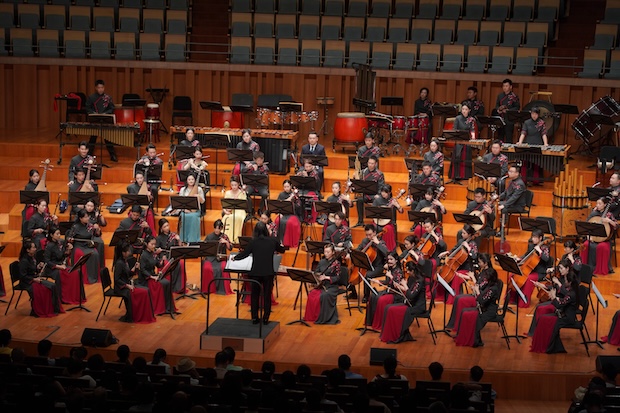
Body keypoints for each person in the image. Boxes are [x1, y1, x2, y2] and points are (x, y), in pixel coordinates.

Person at [233, 222, 286, 324]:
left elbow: (245, 254)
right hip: (268, 273)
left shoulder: (253, 242)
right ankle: (266, 318)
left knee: (255, 295)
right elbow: (282, 250)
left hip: (255, 273)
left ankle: (254, 318)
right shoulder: (272, 241)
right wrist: (281, 245)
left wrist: (235, 258)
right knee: (267, 295)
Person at [530, 259, 579, 353]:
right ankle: (538, 338)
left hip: (565, 315)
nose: (559, 270)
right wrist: (541, 285)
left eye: (561, 268)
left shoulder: (571, 291)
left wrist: (554, 297)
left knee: (543, 316)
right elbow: (556, 291)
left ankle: (546, 344)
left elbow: (561, 302)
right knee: (541, 314)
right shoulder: (566, 282)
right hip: (561, 309)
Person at [379, 260, 427, 344]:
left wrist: (404, 285)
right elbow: (408, 290)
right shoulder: (412, 278)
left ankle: (398, 335)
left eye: (408, 270)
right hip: (410, 303)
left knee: (391, 310)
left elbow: (411, 295)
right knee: (388, 307)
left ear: (413, 270)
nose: (407, 272)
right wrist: (399, 286)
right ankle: (390, 334)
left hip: (417, 307)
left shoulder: (420, 281)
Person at [454, 264, 501, 347]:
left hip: (488, 312)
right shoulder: (489, 285)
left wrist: (477, 291)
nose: (484, 279)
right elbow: (483, 295)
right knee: (464, 311)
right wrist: (475, 290)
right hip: (483, 308)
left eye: (486, 277)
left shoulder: (493, 289)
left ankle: (474, 340)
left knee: (467, 314)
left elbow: (482, 301)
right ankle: (463, 336)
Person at [447, 253, 495, 330]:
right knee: (457, 298)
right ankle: (453, 324)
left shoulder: (489, 273)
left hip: (481, 299)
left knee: (460, 300)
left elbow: (479, 286)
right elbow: (479, 284)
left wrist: (473, 278)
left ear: (485, 263)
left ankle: (458, 326)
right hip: (477, 294)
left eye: (480, 262)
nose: (478, 263)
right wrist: (472, 285)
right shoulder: (484, 271)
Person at [113, 242, 155, 324]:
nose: (129, 252)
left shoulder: (125, 261)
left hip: (127, 284)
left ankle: (142, 314)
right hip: (121, 288)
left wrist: (134, 268)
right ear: (123, 253)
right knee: (143, 292)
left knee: (146, 290)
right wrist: (127, 286)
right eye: (128, 251)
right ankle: (135, 315)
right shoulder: (119, 263)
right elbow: (117, 279)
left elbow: (127, 274)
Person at [19, 240, 63, 317]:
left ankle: (54, 308)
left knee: (52, 286)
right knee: (46, 289)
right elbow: (23, 276)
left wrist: (38, 267)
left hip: (34, 279)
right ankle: (40, 310)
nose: (35, 249)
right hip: (27, 283)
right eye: (33, 248)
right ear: (28, 250)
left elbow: (31, 270)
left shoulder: (32, 258)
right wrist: (34, 279)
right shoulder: (24, 261)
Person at [437, 224, 478, 304]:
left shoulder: (473, 244)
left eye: (464, 233)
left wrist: (468, 248)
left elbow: (474, 256)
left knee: (455, 276)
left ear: (469, 234)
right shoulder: (460, 241)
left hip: (467, 268)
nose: (462, 234)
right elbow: (454, 249)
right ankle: (443, 296)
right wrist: (447, 252)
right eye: (462, 232)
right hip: (457, 267)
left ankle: (455, 299)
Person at [511, 229, 551, 308]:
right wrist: (519, 258)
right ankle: (513, 299)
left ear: (540, 238)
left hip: (540, 272)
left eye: (535, 237)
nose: (533, 239)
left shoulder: (545, 248)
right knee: (514, 274)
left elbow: (546, 258)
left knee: (529, 278)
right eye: (532, 237)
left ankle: (524, 302)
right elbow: (526, 255)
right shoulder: (531, 246)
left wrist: (539, 251)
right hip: (530, 269)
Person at [366, 252, 406, 331]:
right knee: (373, 296)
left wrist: (390, 276)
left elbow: (396, 285)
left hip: (396, 294)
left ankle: (381, 324)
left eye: (391, 259)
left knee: (381, 300)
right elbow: (388, 282)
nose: (389, 261)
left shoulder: (398, 271)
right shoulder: (390, 269)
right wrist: (378, 281)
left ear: (396, 260)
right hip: (389, 291)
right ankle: (371, 322)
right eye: (388, 259)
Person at [305, 243, 343, 324]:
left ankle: (323, 318)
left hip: (332, 286)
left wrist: (327, 277)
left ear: (333, 252)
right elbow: (316, 272)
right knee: (311, 294)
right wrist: (318, 276)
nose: (326, 254)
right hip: (322, 285)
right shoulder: (322, 262)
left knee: (324, 296)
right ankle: (313, 316)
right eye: (325, 252)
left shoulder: (336, 263)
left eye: (328, 252)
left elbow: (338, 277)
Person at [351, 224, 389, 302]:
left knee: (367, 274)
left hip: (378, 267)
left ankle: (366, 296)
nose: (368, 237)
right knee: (350, 270)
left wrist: (377, 243)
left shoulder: (381, 242)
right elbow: (358, 250)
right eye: (367, 235)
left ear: (374, 233)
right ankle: (353, 293)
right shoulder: (365, 241)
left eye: (370, 234)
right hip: (367, 265)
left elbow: (387, 253)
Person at [580, 197, 617, 276]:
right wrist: (588, 236)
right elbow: (587, 225)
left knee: (602, 247)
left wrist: (609, 221)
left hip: (604, 240)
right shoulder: (593, 213)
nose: (597, 205)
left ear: (605, 205)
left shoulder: (609, 215)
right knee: (586, 244)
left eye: (600, 204)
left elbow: (616, 226)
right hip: (593, 238)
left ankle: (599, 269)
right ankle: (585, 268)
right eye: (597, 203)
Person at [138, 235, 174, 316]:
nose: (154, 246)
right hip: (146, 279)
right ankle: (160, 308)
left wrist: (162, 260)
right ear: (146, 244)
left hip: (153, 275)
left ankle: (168, 307)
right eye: (152, 244)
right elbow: (142, 270)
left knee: (167, 282)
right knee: (161, 284)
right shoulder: (143, 255)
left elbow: (158, 265)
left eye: (154, 244)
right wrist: (152, 277)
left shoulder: (153, 253)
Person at [44, 226, 80, 305]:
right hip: (52, 268)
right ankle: (62, 297)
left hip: (61, 265)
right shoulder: (49, 246)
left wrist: (69, 250)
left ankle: (71, 296)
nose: (59, 235)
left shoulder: (60, 242)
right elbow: (47, 261)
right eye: (57, 234)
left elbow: (64, 255)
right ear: (51, 235)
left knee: (75, 272)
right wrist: (58, 266)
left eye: (59, 233)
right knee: (63, 274)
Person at [85, 79, 117, 161]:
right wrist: (93, 113)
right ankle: (89, 155)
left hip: (105, 119)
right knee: (93, 138)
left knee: (108, 139)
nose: (100, 89)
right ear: (96, 88)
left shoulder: (108, 97)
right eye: (99, 88)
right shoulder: (91, 97)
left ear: (104, 88)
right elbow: (87, 107)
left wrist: (106, 113)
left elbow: (112, 108)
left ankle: (112, 155)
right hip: (95, 120)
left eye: (102, 87)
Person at [67, 209, 101, 284]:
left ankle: (94, 276)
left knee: (95, 254)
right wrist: (70, 240)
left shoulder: (90, 225)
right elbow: (69, 237)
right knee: (84, 255)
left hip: (88, 245)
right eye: (85, 217)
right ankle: (86, 277)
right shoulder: (75, 227)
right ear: (80, 218)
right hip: (79, 245)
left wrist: (97, 229)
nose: (87, 218)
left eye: (88, 216)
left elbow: (97, 234)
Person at [517, 107, 549, 184]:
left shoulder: (541, 122)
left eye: (535, 114)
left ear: (538, 114)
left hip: (538, 144)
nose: (534, 115)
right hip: (528, 143)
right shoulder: (526, 122)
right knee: (526, 162)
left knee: (536, 162)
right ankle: (525, 179)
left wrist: (545, 143)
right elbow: (523, 133)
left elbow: (544, 134)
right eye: (532, 114)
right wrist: (520, 142)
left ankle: (536, 180)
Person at [202, 219, 233, 295]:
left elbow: (230, 248)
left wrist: (226, 242)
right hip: (210, 258)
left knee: (223, 267)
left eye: (218, 228)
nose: (217, 230)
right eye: (215, 228)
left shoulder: (224, 236)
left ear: (221, 228)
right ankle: (208, 289)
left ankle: (223, 289)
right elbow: (203, 248)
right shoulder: (209, 237)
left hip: (221, 258)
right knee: (207, 268)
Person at [354, 155, 385, 228]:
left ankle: (375, 222)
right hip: (366, 195)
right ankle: (360, 221)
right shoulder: (364, 171)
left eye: (372, 163)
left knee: (377, 200)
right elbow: (359, 183)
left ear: (376, 164)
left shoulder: (379, 174)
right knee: (359, 200)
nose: (370, 165)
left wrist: (378, 194)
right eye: (369, 163)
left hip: (375, 195)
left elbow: (381, 187)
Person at [372, 184, 404, 251]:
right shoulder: (377, 200)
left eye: (385, 192)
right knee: (372, 227)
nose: (383, 194)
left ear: (389, 192)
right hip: (378, 221)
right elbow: (372, 212)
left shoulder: (393, 200)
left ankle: (388, 249)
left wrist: (397, 205)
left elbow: (401, 211)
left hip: (389, 223)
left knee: (388, 229)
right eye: (382, 192)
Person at [156, 218, 184, 294]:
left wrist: (178, 239)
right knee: (167, 264)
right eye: (164, 226)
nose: (167, 228)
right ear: (161, 228)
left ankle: (179, 287)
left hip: (173, 255)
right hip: (165, 256)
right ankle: (170, 287)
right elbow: (156, 250)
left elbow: (180, 246)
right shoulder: (158, 238)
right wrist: (160, 253)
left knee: (180, 263)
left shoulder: (173, 235)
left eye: (167, 225)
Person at [178, 173, 204, 243]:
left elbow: (202, 201)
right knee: (183, 215)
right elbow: (180, 202)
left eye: (192, 179)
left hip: (196, 211)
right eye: (189, 179)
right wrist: (184, 210)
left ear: (195, 180)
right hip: (185, 211)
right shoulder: (183, 190)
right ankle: (184, 239)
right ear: (186, 181)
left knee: (193, 217)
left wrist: (199, 196)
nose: (191, 181)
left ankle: (193, 239)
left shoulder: (199, 189)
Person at [275, 179, 302, 248]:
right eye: (285, 187)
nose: (286, 188)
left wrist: (295, 197)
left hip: (293, 214)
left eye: (288, 186)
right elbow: (278, 205)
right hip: (283, 213)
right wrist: (280, 213)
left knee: (290, 222)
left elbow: (298, 206)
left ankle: (287, 242)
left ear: (291, 186)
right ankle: (279, 241)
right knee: (277, 220)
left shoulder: (295, 194)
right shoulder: (281, 194)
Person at [222, 176, 248, 244]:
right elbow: (224, 205)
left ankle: (235, 239)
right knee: (226, 218)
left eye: (235, 185)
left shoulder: (242, 193)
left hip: (240, 211)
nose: (234, 187)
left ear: (238, 184)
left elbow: (243, 205)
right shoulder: (227, 193)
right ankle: (226, 238)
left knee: (237, 218)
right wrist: (225, 211)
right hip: (230, 211)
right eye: (232, 185)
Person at [493, 78, 520, 143]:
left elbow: (517, 107)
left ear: (510, 87)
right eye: (503, 86)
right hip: (501, 119)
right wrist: (498, 109)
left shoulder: (514, 96)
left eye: (506, 86)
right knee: (500, 136)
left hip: (509, 119)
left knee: (509, 137)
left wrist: (508, 110)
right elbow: (497, 105)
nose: (505, 87)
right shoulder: (500, 95)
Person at [83, 199, 106, 267]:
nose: (89, 207)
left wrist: (100, 216)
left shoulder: (95, 214)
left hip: (94, 235)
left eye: (91, 206)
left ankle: (100, 265)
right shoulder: (81, 213)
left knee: (100, 243)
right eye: (88, 205)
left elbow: (104, 224)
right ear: (85, 206)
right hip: (84, 234)